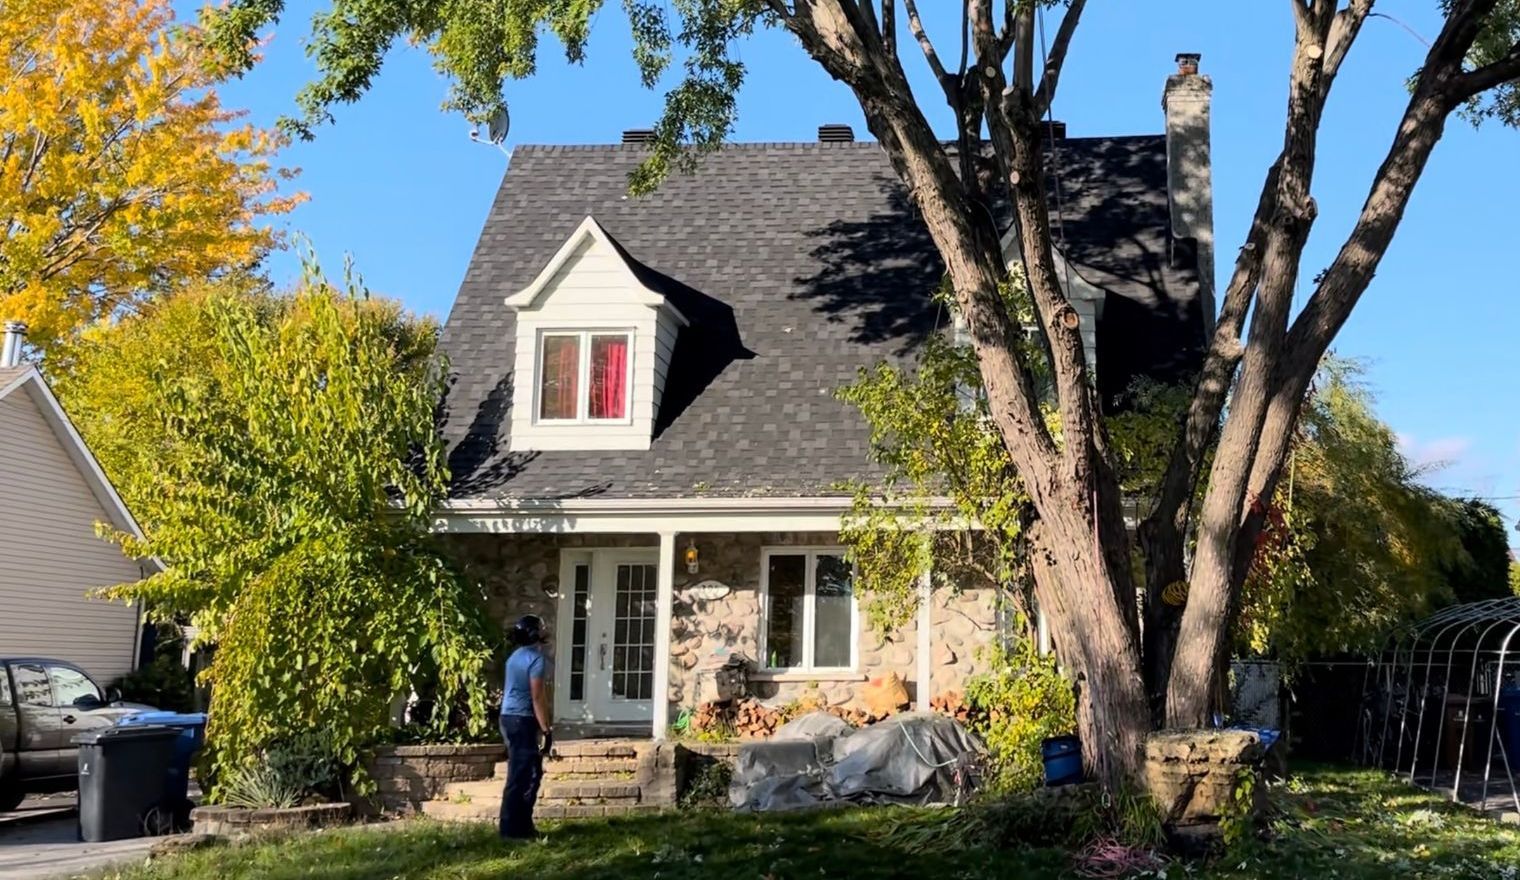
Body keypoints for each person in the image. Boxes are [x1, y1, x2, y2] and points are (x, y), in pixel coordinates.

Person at [500, 614, 553, 840]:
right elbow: (537, 697)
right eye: (540, 627)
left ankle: (519, 826)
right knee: (524, 774)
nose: (544, 630)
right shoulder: (535, 659)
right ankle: (513, 829)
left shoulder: (515, 657)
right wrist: (546, 729)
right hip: (521, 719)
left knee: (525, 772)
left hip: (508, 718)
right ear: (533, 633)